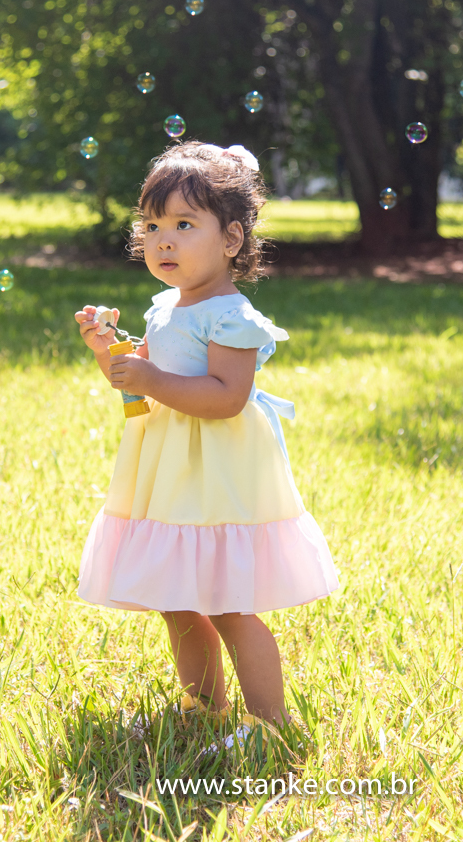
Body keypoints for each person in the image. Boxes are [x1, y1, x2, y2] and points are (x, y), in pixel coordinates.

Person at [75, 141, 340, 737]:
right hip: (169, 474)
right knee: (177, 598)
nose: (162, 240)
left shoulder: (231, 316)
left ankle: (269, 722)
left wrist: (151, 375)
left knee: (227, 604)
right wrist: (110, 354)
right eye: (152, 225)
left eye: (184, 224)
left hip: (218, 475)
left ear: (231, 240)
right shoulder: (165, 307)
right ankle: (204, 709)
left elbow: (226, 398)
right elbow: (137, 392)